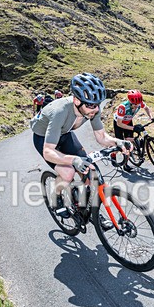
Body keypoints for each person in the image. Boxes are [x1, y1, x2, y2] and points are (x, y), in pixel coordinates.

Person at [30, 73, 131, 215]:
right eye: (91, 105)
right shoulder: (60, 111)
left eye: (97, 105)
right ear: (77, 100)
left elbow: (101, 137)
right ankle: (56, 197)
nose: (96, 109)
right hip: (43, 137)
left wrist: (118, 142)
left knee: (91, 172)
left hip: (65, 134)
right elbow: (48, 152)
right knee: (68, 172)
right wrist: (73, 160)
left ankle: (86, 209)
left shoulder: (92, 109)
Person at [113, 90, 154, 171]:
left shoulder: (139, 103)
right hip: (119, 124)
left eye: (138, 104)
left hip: (128, 121)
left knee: (129, 143)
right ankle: (113, 154)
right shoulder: (123, 107)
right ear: (130, 101)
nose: (136, 106)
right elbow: (119, 124)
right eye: (134, 104)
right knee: (120, 145)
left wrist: (151, 117)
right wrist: (133, 128)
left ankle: (126, 164)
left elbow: (146, 108)